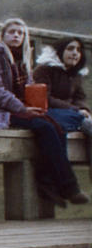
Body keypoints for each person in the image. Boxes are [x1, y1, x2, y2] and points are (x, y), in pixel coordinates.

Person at [0, 18, 89, 206]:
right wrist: (23, 108)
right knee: (45, 126)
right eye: (11, 32)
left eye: (20, 33)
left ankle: (49, 185)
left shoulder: (22, 60)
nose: (16, 35)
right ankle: (68, 188)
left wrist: (35, 105)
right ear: (2, 35)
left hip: (22, 110)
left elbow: (30, 87)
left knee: (56, 125)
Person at [33, 37, 92, 180]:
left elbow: (80, 97)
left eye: (78, 50)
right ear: (60, 51)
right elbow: (45, 98)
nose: (75, 53)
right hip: (49, 113)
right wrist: (75, 110)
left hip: (70, 115)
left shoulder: (75, 74)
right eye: (70, 49)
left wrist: (84, 109)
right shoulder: (44, 69)